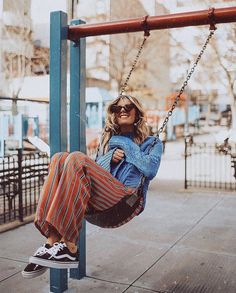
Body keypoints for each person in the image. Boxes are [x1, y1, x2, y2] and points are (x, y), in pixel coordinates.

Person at [22, 94, 163, 279]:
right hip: (101, 199)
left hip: (125, 202)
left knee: (77, 158)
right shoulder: (107, 141)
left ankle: (70, 246)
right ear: (112, 113)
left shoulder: (152, 143)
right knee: (59, 158)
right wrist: (109, 158)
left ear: (137, 113)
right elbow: (95, 170)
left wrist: (123, 142)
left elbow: (149, 169)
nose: (122, 110)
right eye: (117, 108)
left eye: (128, 107)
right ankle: (51, 242)